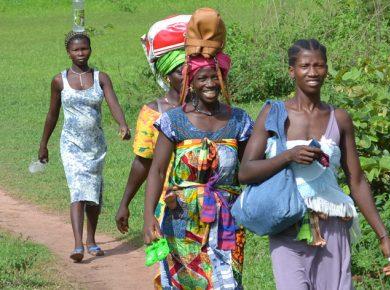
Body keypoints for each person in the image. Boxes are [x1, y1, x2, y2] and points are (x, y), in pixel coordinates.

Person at [238, 39, 390, 289]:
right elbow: (246, 172)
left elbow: (356, 180)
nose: (313, 72)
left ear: (326, 69)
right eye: (305, 66)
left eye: (319, 65)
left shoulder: (340, 118)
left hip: (332, 225)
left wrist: (383, 236)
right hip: (287, 225)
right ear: (292, 71)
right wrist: (287, 156)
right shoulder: (274, 113)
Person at [143, 52, 253, 289]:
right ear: (190, 82)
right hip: (182, 216)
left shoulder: (239, 120)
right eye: (203, 78)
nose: (210, 83)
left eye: (216, 77)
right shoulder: (174, 120)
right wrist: (148, 216)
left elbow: (250, 168)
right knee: (188, 282)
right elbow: (157, 171)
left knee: (228, 282)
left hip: (228, 218)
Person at [38, 31, 130, 262]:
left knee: (94, 195)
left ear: (90, 49)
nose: (80, 53)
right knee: (78, 191)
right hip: (71, 145)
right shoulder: (59, 81)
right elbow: (52, 115)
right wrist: (43, 145)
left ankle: (92, 240)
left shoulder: (101, 78)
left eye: (84, 48)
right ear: (68, 52)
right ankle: (78, 244)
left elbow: (113, 103)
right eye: (76, 50)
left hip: (95, 145)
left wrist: (122, 124)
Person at [115, 50, 185, 233]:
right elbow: (142, 161)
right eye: (180, 72)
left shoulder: (203, 109)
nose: (187, 77)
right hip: (167, 201)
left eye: (190, 71)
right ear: (167, 76)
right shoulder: (152, 113)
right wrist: (125, 203)